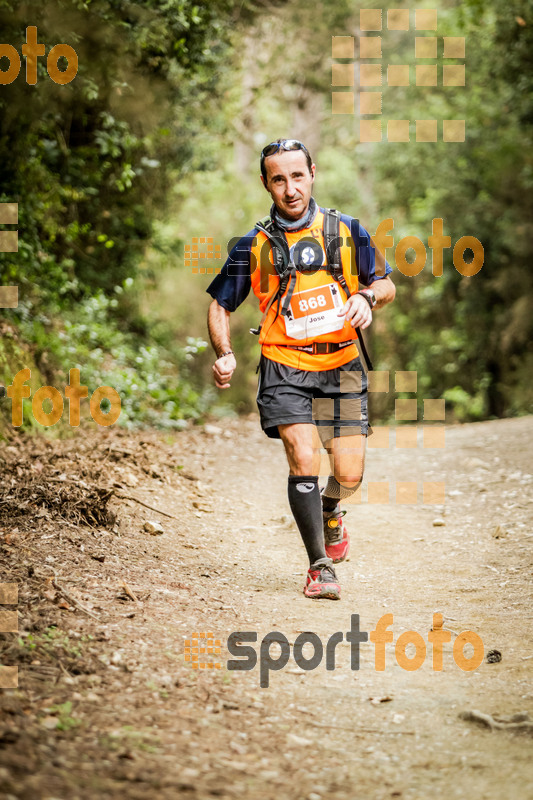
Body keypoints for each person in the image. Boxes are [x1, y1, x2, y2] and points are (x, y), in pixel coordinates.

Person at [206, 138, 395, 600]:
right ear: (267, 184)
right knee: (302, 454)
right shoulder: (253, 245)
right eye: (278, 179)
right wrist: (224, 351)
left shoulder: (348, 230)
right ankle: (319, 566)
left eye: (297, 175)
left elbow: (385, 283)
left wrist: (366, 297)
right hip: (284, 365)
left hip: (342, 363)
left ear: (313, 173)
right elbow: (219, 304)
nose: (289, 188)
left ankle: (331, 508)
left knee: (349, 475)